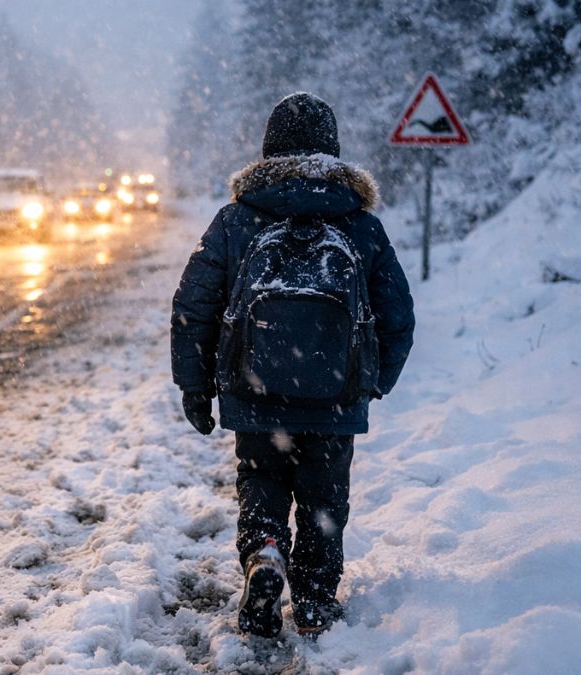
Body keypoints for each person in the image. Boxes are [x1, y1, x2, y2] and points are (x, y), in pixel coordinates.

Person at [170, 92, 415, 637]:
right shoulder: (361, 225)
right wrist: (371, 383)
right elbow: (398, 316)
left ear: (267, 149)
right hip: (333, 393)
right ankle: (315, 602)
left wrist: (195, 385)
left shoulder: (237, 219)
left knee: (262, 482)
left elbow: (194, 305)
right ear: (333, 151)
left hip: (256, 391)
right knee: (325, 498)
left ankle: (265, 554)